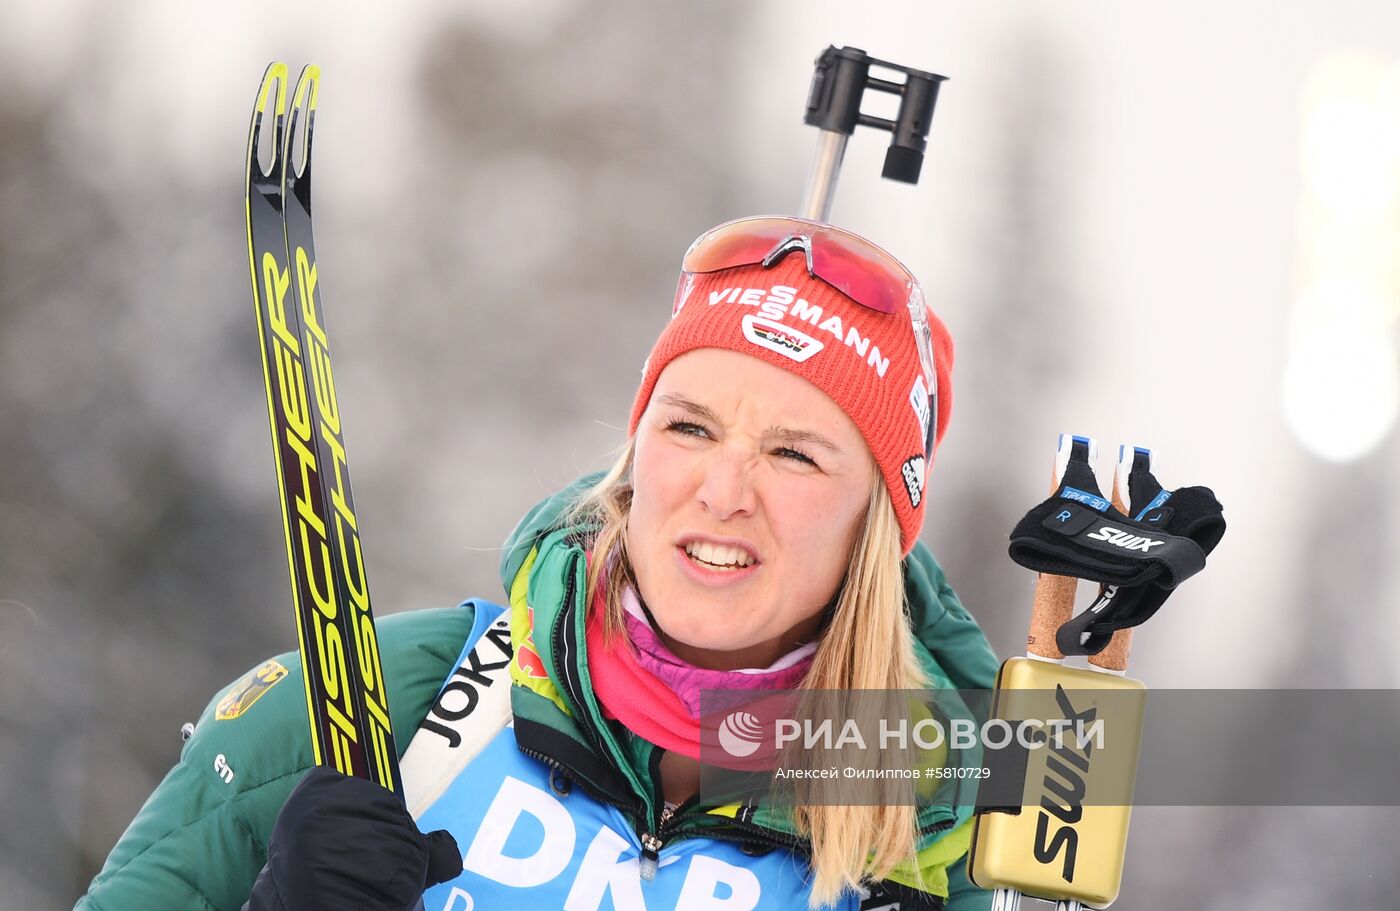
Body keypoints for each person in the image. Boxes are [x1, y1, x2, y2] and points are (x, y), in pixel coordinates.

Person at [76, 216, 1000, 910]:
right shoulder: (385, 704)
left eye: (794, 453)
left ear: (875, 530)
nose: (724, 489)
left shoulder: (934, 826)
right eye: (687, 426)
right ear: (636, 455)